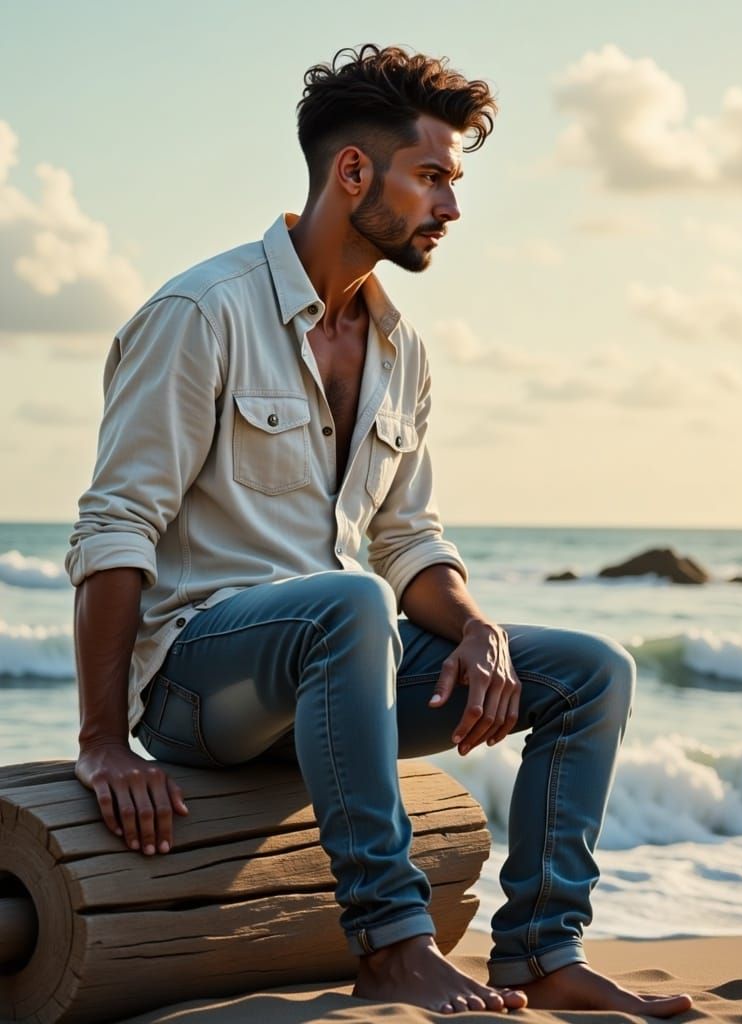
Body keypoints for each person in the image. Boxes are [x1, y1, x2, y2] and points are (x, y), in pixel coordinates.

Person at [67, 44, 692, 1017]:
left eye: (454, 181)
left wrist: (477, 625)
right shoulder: (203, 311)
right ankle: (392, 942)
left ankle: (538, 948)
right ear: (354, 172)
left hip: (338, 672)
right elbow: (116, 522)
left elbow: (404, 536)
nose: (451, 206)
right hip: (199, 683)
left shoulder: (401, 349)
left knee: (589, 670)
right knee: (347, 601)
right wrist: (104, 741)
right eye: (432, 176)